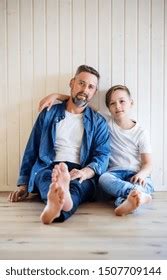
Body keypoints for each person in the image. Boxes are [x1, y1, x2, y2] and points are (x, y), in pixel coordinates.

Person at [8, 65, 110, 224]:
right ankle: (62, 200)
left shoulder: (99, 123)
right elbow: (32, 148)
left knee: (79, 185)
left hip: (80, 168)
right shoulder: (49, 113)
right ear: (72, 83)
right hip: (50, 166)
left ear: (94, 92)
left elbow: (102, 156)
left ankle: (58, 203)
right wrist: (23, 184)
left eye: (90, 87)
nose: (85, 89)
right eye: (81, 83)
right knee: (46, 178)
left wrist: (85, 172)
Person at [38, 85, 154, 216]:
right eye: (112, 103)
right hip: (114, 175)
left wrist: (142, 175)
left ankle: (130, 199)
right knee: (103, 179)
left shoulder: (141, 132)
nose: (118, 106)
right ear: (108, 108)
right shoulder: (105, 122)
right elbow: (81, 102)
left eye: (122, 101)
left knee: (144, 184)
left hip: (136, 174)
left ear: (131, 103)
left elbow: (148, 163)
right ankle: (138, 197)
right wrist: (57, 96)